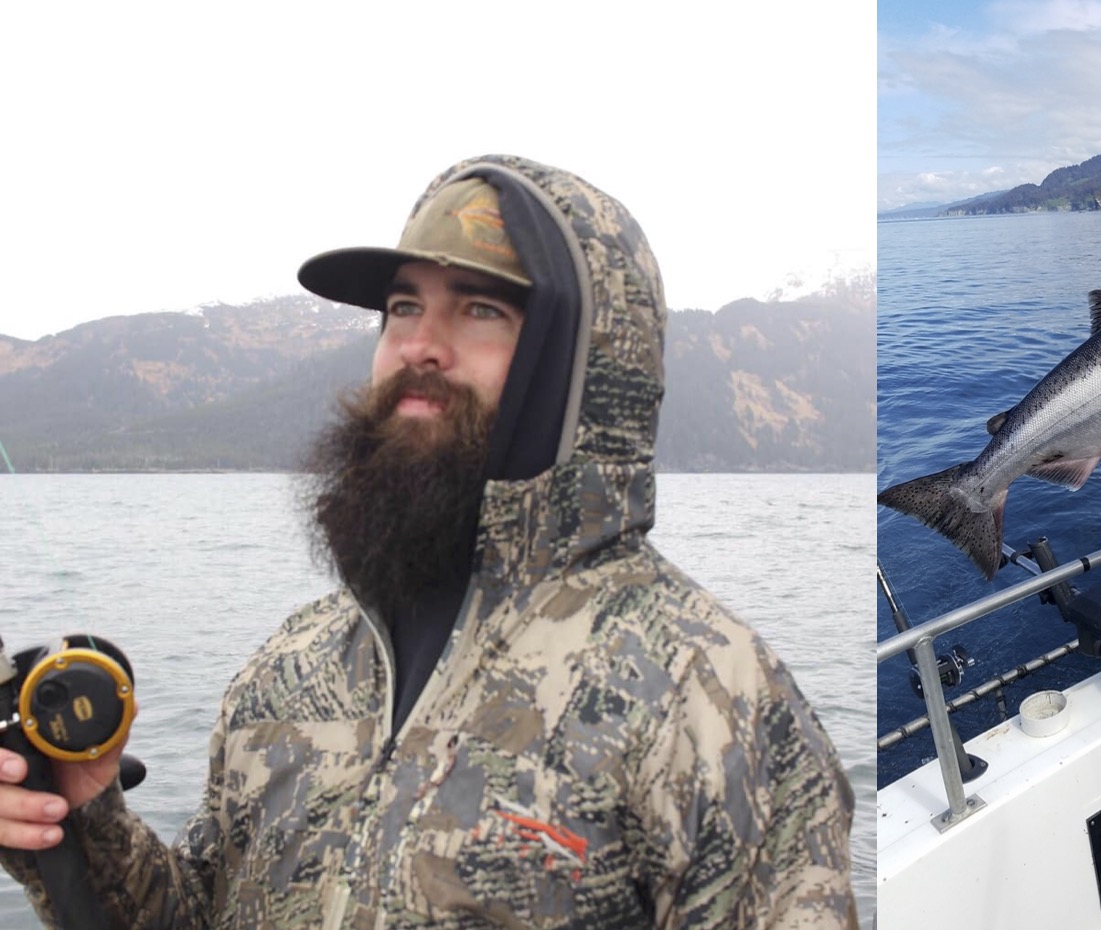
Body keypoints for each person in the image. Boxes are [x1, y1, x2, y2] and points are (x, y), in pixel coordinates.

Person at [0, 154, 857, 929]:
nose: (418, 345)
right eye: (402, 306)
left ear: (582, 367)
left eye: (479, 310)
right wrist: (80, 818)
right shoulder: (292, 667)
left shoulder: (706, 693)